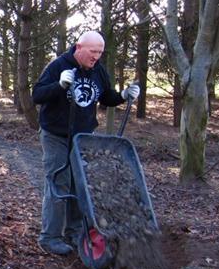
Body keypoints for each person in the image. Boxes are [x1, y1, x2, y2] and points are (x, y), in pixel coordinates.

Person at [31, 30, 139, 256]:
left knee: (78, 184)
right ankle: (50, 237)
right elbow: (37, 95)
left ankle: (74, 232)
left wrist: (124, 95)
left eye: (100, 52)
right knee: (59, 181)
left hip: (82, 138)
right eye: (93, 51)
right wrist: (59, 85)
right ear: (79, 48)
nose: (96, 57)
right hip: (56, 135)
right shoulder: (58, 65)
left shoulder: (98, 70)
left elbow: (106, 97)